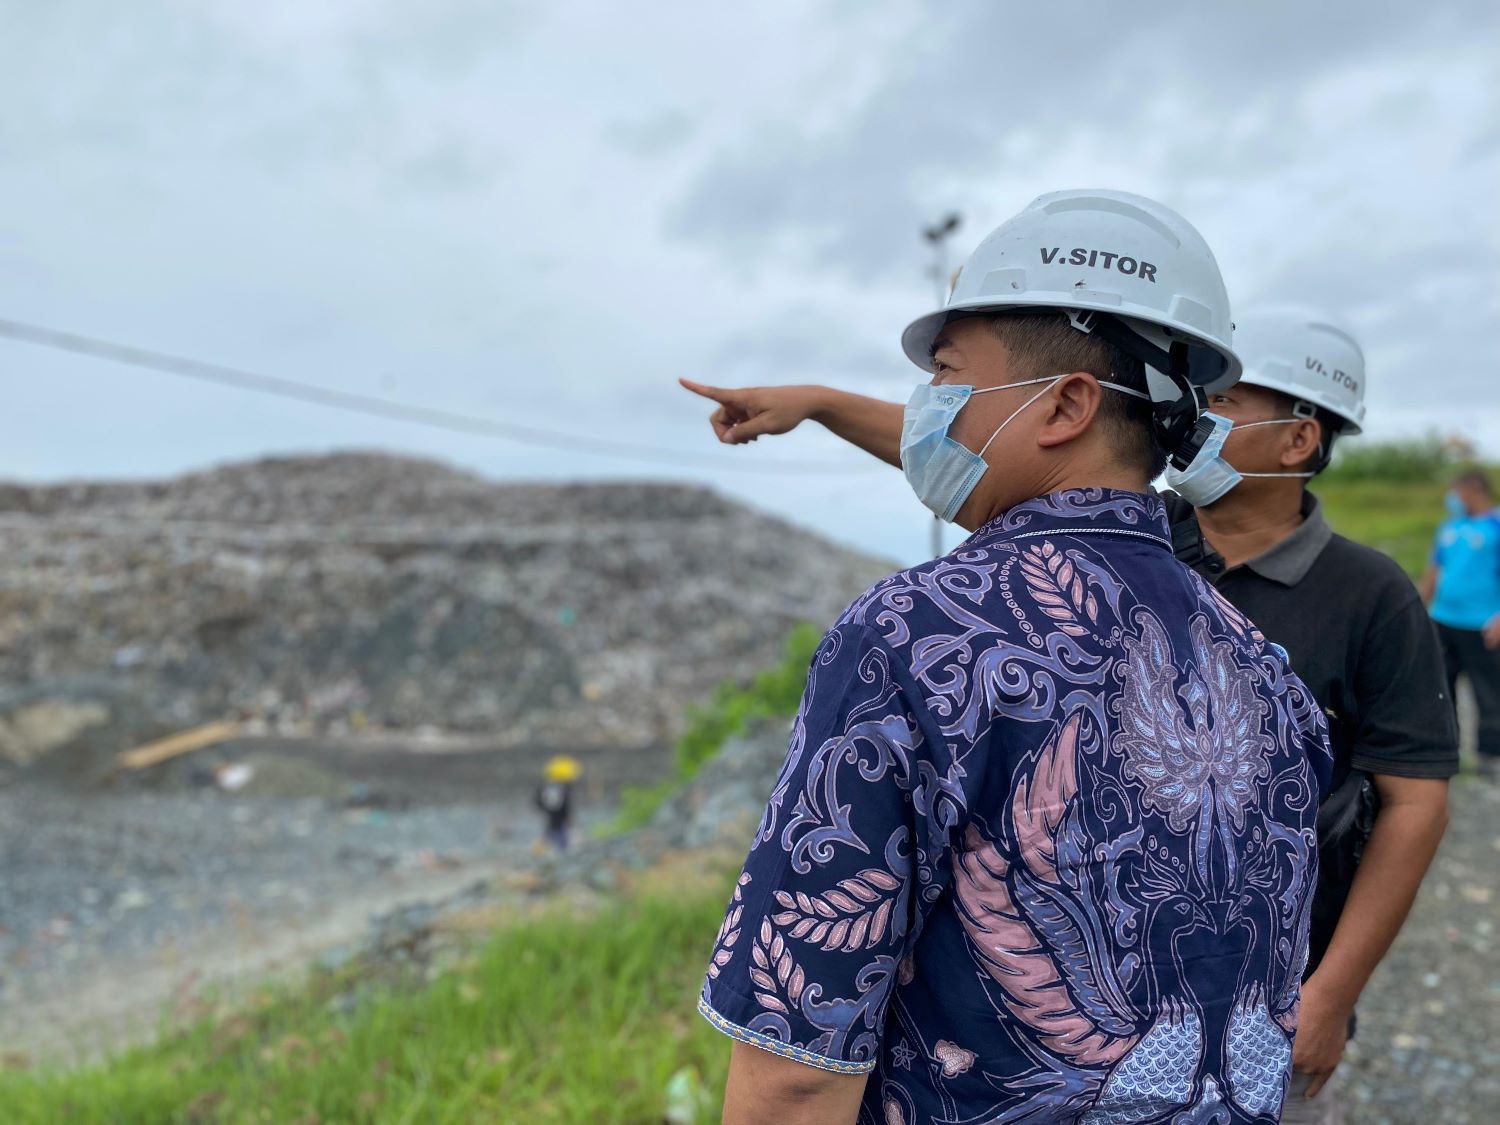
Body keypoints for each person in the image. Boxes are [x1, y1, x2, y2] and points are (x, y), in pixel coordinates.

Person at [684, 306, 1457, 1123]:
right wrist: (823, 404)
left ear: (1066, 405)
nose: (927, 410)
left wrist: (1329, 994)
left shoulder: (910, 631)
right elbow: (992, 454)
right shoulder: (1258, 654)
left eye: (945, 375)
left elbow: (798, 1058)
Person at [1422, 468, 1500, 778]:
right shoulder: (1450, 527)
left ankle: (1490, 755)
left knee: (1489, 693)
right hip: (1443, 621)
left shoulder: (1495, 525)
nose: (1453, 498)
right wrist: (1419, 610)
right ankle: (1445, 753)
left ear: (1474, 490)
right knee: (1440, 690)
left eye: (1458, 491)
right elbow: (1434, 570)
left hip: (1481, 626)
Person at [534, 755, 580, 851]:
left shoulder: (548, 786)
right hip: (559, 818)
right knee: (560, 838)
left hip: (551, 816)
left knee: (550, 832)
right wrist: (568, 816)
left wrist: (544, 808)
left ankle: (543, 849)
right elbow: (566, 805)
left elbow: (539, 800)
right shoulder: (563, 788)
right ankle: (559, 851)